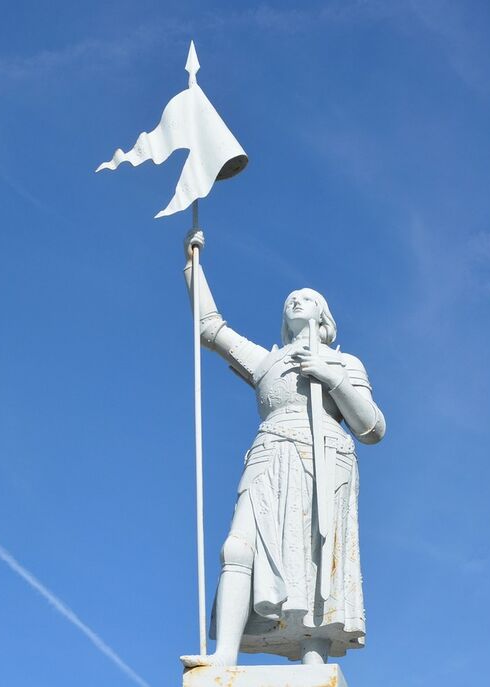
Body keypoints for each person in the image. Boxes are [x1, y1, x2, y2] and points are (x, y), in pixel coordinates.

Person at [179, 229, 386, 668]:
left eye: (307, 298)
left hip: (326, 458)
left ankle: (314, 660)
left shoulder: (345, 362)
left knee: (313, 560)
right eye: (291, 297)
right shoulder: (268, 361)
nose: (296, 300)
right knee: (238, 546)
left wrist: (331, 377)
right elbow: (210, 330)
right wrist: (194, 269)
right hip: (271, 451)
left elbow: (371, 427)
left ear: (324, 316)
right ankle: (224, 656)